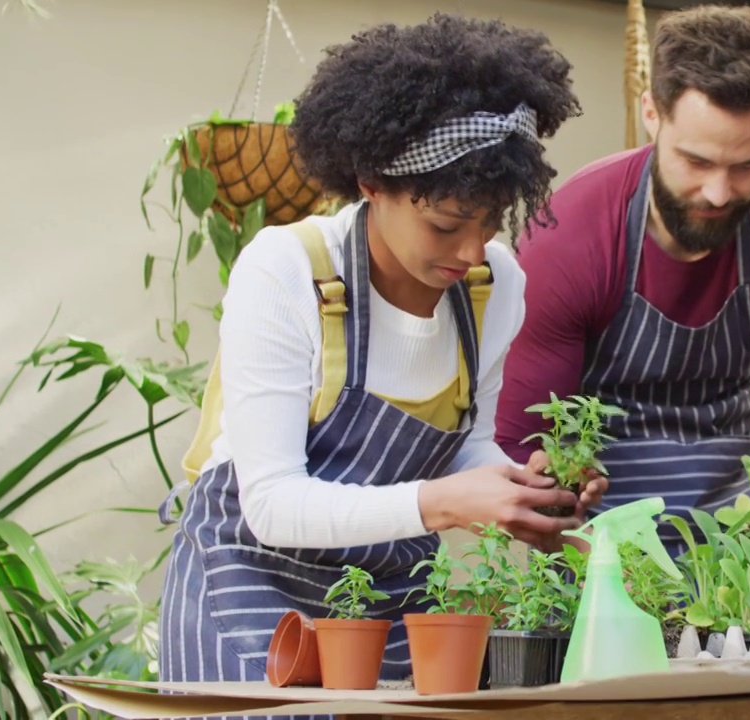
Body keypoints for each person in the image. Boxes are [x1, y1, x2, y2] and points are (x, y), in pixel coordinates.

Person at [154, 13, 598, 697]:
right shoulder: (288, 270)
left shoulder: (492, 287)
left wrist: (522, 488)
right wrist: (445, 504)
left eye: (492, 220)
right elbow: (269, 503)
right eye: (446, 224)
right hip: (248, 595)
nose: (471, 251)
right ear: (371, 181)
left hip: (388, 603)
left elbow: (463, 447)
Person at [495, 5, 750, 556]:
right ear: (652, 114)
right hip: (601, 551)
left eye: (746, 166)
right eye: (696, 161)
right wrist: (556, 488)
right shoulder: (566, 239)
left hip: (741, 554)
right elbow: (521, 438)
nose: (718, 192)